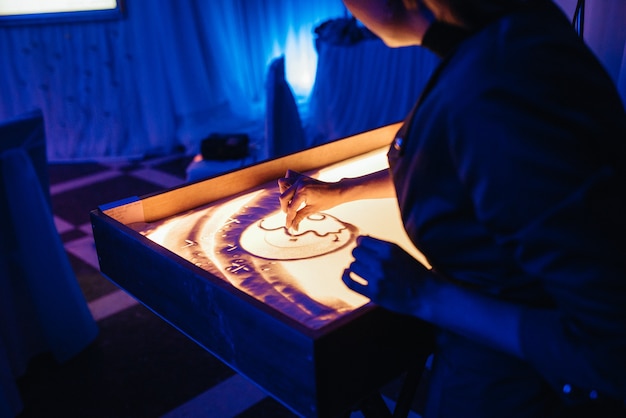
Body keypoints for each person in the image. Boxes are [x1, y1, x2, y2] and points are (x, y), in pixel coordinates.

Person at [278, 0, 626, 416]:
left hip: (515, 391)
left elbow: (610, 345)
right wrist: (341, 191)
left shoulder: (495, 84)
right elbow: (472, 165)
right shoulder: (502, 38)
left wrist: (427, 295)